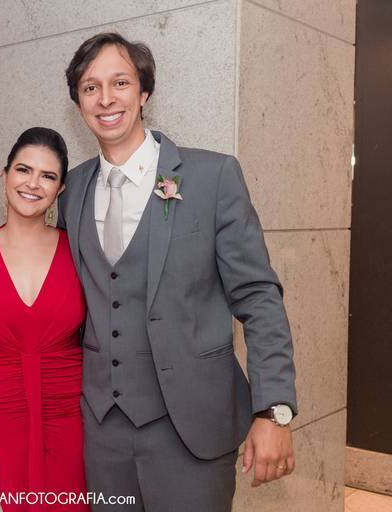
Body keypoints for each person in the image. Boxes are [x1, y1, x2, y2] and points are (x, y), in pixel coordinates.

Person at [57, 33, 297, 511]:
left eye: (120, 82)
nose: (106, 99)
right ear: (79, 102)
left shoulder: (212, 177)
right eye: (91, 87)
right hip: (102, 433)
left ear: (144, 92)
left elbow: (258, 296)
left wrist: (274, 411)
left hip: (193, 429)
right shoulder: (72, 191)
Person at [0, 127, 88, 511]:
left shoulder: (80, 253)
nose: (32, 184)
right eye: (23, 170)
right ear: (5, 175)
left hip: (71, 417)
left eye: (47, 176)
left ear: (60, 189)